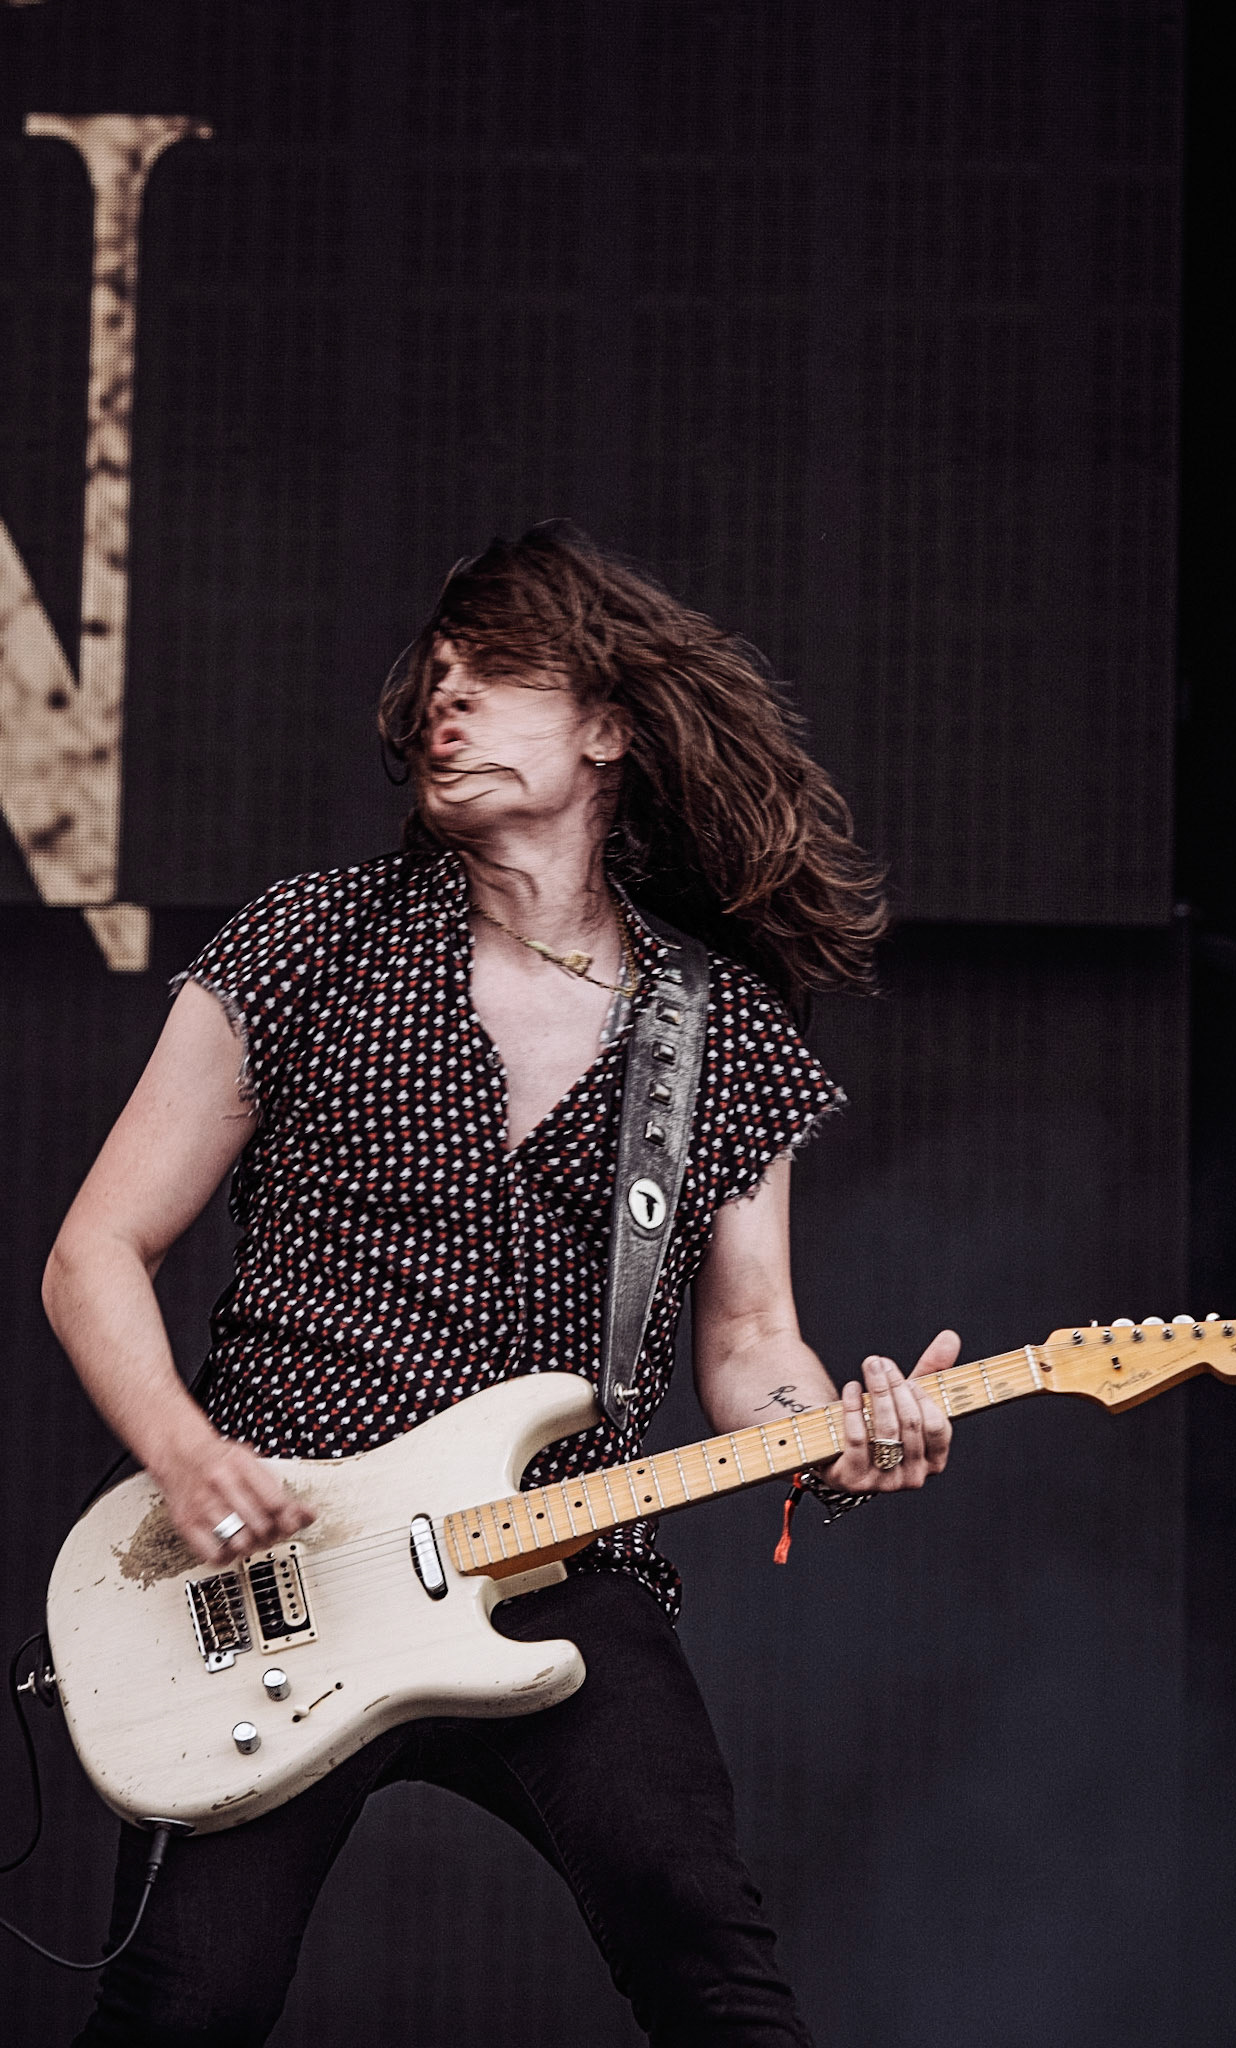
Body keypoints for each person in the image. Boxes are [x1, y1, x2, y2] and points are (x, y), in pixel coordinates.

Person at [43, 526, 956, 2046]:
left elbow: (751, 1347)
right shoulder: (309, 941)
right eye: (435, 684)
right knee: (187, 2002)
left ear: (606, 725)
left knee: (713, 1966)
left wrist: (845, 1438)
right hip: (277, 1568)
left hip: (561, 1559)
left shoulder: (713, 1029)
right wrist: (185, 1451)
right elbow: (94, 1253)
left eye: (494, 676)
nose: (442, 707)